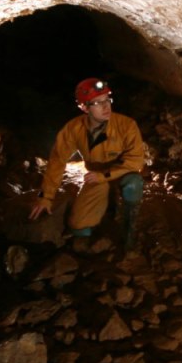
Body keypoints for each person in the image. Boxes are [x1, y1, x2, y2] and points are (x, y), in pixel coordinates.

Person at [29, 77, 146, 248]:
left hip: (121, 173)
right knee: (79, 226)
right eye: (98, 103)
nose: (106, 106)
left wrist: (105, 175)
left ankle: (129, 230)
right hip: (96, 176)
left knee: (133, 185)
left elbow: (135, 161)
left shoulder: (126, 125)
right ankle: (106, 208)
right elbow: (57, 161)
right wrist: (45, 197)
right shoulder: (73, 129)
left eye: (107, 100)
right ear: (84, 107)